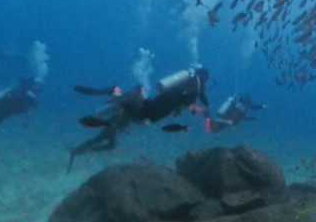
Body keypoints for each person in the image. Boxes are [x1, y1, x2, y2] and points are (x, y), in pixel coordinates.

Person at [67, 66, 209, 171]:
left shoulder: (186, 87)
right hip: (131, 118)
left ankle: (77, 151)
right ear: (203, 77)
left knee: (106, 142)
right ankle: (110, 93)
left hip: (136, 116)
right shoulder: (194, 86)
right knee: (133, 96)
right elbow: (199, 96)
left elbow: (181, 100)